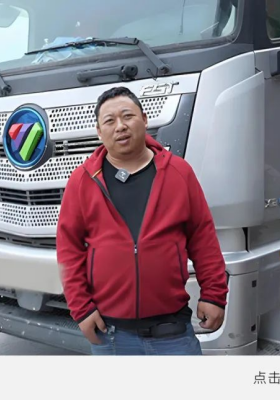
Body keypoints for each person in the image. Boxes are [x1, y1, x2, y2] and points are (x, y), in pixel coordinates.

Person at [56, 86, 228, 355]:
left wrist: (214, 295)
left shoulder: (178, 172)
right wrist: (81, 309)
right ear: (99, 132)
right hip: (111, 334)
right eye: (109, 121)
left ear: (145, 120)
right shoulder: (83, 181)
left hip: (173, 331)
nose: (120, 126)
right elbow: (69, 249)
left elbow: (202, 237)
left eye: (128, 116)